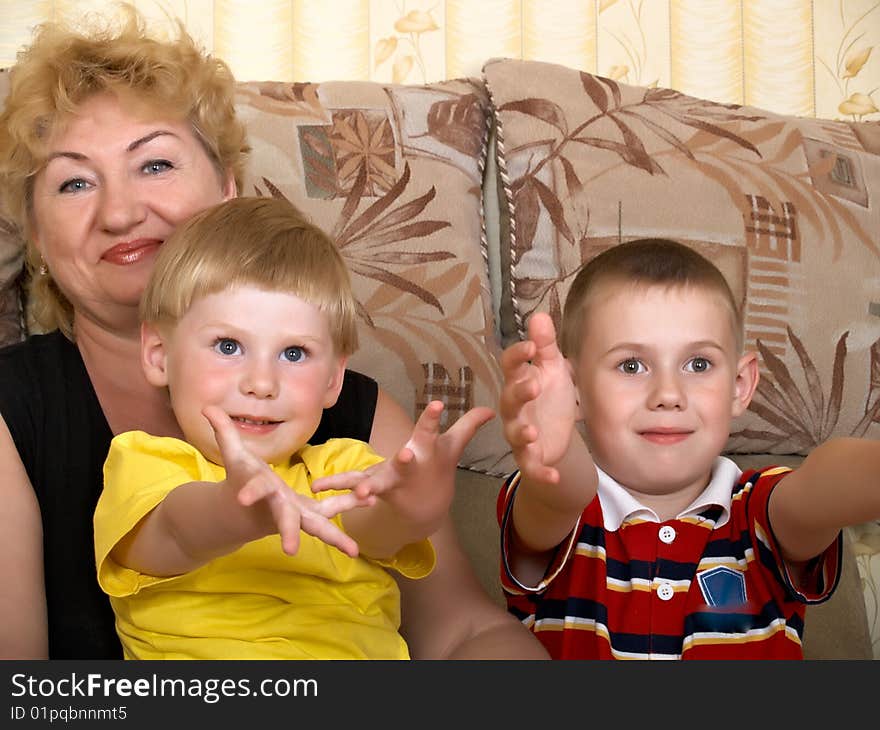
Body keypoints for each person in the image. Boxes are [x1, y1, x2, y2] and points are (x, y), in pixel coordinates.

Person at [0, 5, 549, 660]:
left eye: (154, 166)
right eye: (75, 181)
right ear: (35, 234)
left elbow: (466, 630)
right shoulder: (15, 411)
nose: (120, 211)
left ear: (228, 189)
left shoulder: (357, 414)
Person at [95, 195, 484, 659]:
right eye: (227, 346)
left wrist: (414, 509)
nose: (261, 383)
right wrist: (235, 510)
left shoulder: (343, 465)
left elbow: (374, 528)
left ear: (333, 379)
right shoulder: (146, 464)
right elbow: (176, 532)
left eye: (293, 354)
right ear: (159, 355)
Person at [497, 237, 880, 659]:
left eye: (698, 364)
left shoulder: (758, 513)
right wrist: (554, 450)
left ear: (739, 385)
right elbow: (559, 491)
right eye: (631, 365)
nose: (668, 393)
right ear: (574, 389)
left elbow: (824, 486)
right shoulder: (564, 508)